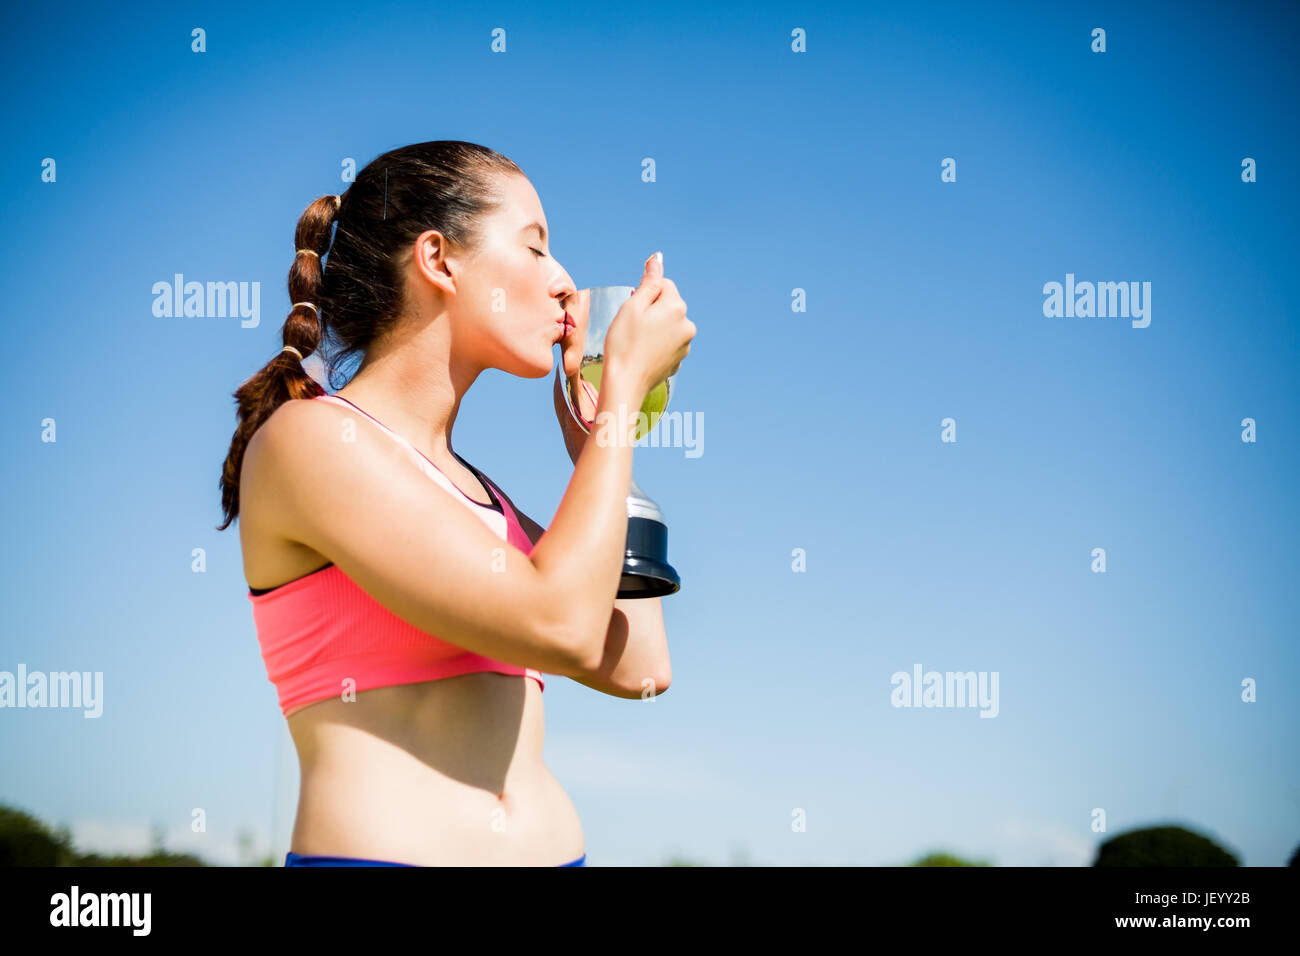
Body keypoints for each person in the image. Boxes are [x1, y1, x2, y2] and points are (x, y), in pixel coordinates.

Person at [215, 140, 695, 866]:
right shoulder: (309, 443)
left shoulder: (481, 500)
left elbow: (641, 668)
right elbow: (561, 625)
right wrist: (624, 389)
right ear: (439, 260)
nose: (565, 282)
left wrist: (602, 442)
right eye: (535, 249)